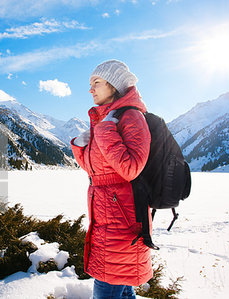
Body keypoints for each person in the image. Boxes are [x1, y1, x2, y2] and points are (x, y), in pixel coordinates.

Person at [71, 60, 153, 299]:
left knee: (107, 288)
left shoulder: (130, 117)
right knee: (121, 289)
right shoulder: (107, 118)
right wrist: (79, 146)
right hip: (107, 217)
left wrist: (105, 132)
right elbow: (96, 172)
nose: (90, 89)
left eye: (96, 82)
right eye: (90, 84)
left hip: (123, 221)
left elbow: (131, 168)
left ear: (114, 85)